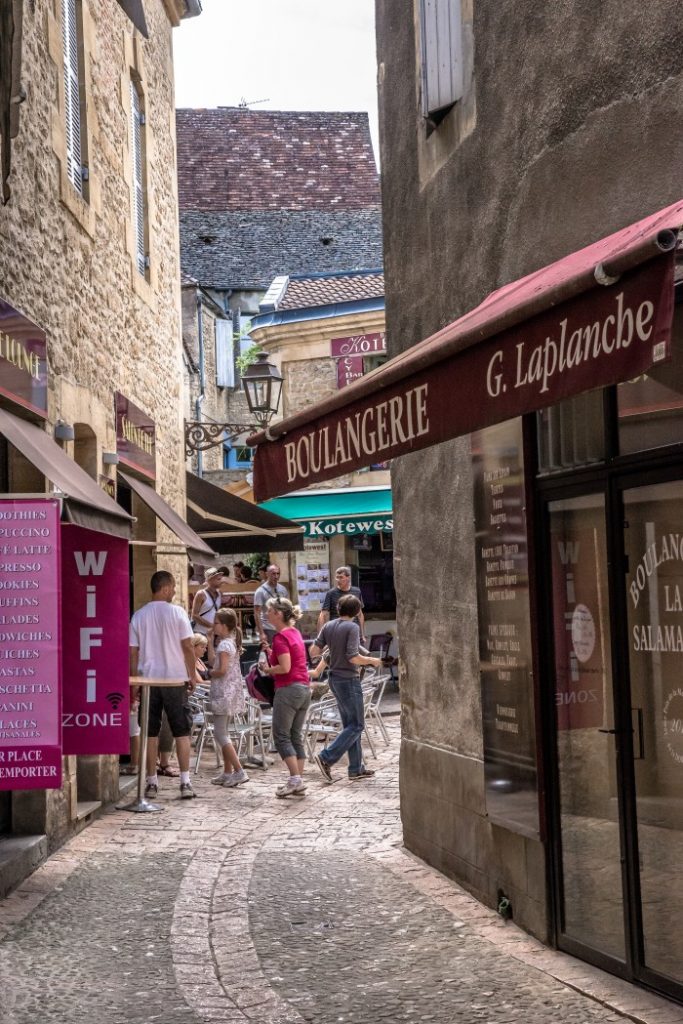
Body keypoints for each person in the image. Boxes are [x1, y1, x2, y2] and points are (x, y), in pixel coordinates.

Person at [129, 570, 198, 800]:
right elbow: (188, 647)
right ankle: (185, 782)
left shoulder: (138, 616)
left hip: (149, 680)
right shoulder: (178, 613)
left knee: (149, 732)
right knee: (181, 731)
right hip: (175, 679)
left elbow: (133, 652)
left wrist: (135, 681)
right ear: (166, 588)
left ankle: (151, 782)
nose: (176, 591)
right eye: (174, 587)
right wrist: (192, 675)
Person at [310, 593, 381, 783]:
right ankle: (326, 757)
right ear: (357, 612)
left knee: (350, 724)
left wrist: (332, 650)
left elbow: (314, 651)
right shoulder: (352, 627)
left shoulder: (328, 625)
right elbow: (353, 657)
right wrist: (372, 660)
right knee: (357, 725)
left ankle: (356, 768)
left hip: (334, 678)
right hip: (348, 679)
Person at [264, 596, 311, 798]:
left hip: (288, 689)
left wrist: (267, 669)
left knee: (281, 736)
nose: (266, 614)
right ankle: (297, 780)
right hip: (303, 688)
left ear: (278, 614)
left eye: (269, 611)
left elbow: (285, 667)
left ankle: (295, 779)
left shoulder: (280, 637)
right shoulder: (294, 633)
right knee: (295, 736)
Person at [207, 608, 249, 788]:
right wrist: (210, 643)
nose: (213, 625)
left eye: (216, 623)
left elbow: (221, 670)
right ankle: (227, 772)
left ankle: (239, 771)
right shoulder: (228, 643)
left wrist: (208, 673)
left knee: (220, 733)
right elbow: (213, 661)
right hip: (229, 693)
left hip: (223, 693)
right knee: (224, 732)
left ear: (224, 626)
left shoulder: (225, 645)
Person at [317, 566, 366, 642]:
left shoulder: (357, 591)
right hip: (337, 631)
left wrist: (362, 634)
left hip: (354, 631)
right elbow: (323, 614)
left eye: (341, 577)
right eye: (337, 577)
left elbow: (360, 614)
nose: (338, 580)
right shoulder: (331, 593)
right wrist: (320, 637)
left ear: (348, 577)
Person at [254, 564, 287, 648]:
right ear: (267, 574)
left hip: (281, 627)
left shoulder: (283, 589)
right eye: (273, 574)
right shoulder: (260, 591)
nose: (276, 576)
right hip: (268, 628)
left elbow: (286, 609)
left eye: (278, 573)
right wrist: (261, 633)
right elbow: (257, 613)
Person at [191, 566, 229, 640]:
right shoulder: (201, 594)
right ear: (210, 580)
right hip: (200, 633)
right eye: (218, 579)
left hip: (213, 633)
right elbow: (194, 615)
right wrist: (211, 625)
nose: (221, 581)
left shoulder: (219, 594)